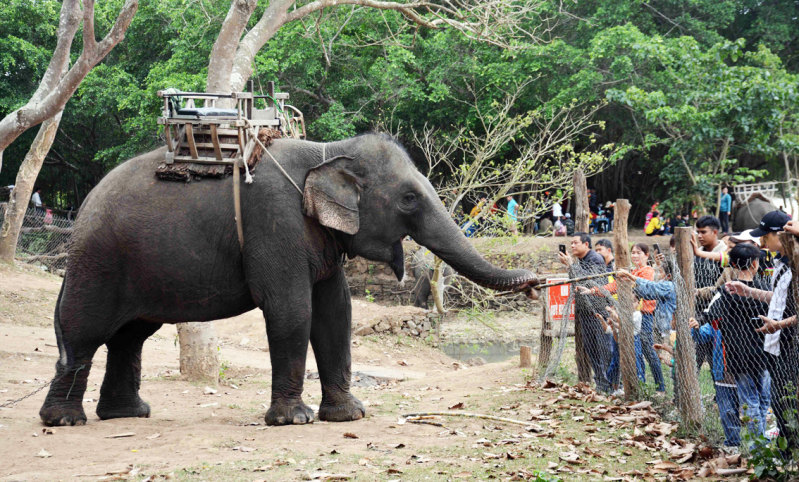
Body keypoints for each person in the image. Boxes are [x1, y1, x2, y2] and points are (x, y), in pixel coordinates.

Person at [726, 210, 798, 451]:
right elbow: (779, 298)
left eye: (766, 236)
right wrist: (747, 290)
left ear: (781, 236)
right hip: (776, 346)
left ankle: (790, 455)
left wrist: (780, 324)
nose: (762, 241)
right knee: (778, 404)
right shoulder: (780, 263)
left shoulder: (797, 267)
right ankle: (785, 453)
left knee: (787, 403)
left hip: (791, 346)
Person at [579, 243, 665, 392]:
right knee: (624, 350)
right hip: (627, 315)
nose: (635, 256)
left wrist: (625, 278)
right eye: (633, 253)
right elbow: (613, 287)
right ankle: (624, 385)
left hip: (644, 316)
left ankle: (658, 387)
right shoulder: (632, 271)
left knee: (646, 351)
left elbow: (643, 289)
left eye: (639, 253)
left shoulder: (647, 271)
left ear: (646, 255)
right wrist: (592, 290)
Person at [708, 244, 771, 440]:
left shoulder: (725, 291)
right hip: (766, 353)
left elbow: (713, 319)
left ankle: (757, 445)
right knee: (764, 399)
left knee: (749, 400)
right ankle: (762, 444)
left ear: (733, 264)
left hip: (738, 356)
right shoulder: (766, 290)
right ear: (755, 264)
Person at [559, 232, 612, 393]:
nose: (572, 246)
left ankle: (612, 383)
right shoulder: (580, 261)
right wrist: (571, 266)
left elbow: (590, 282)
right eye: (571, 243)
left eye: (575, 243)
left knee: (604, 349)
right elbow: (575, 280)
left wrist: (571, 265)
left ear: (586, 244)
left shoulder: (595, 259)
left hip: (597, 311)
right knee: (591, 350)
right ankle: (601, 384)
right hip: (585, 312)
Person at [694, 215, 727, 373]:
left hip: (717, 315)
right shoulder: (694, 255)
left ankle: (719, 396)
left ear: (715, 232)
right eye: (697, 232)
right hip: (695, 312)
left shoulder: (725, 256)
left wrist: (699, 293)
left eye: (703, 232)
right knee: (693, 356)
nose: (699, 235)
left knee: (716, 360)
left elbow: (722, 287)